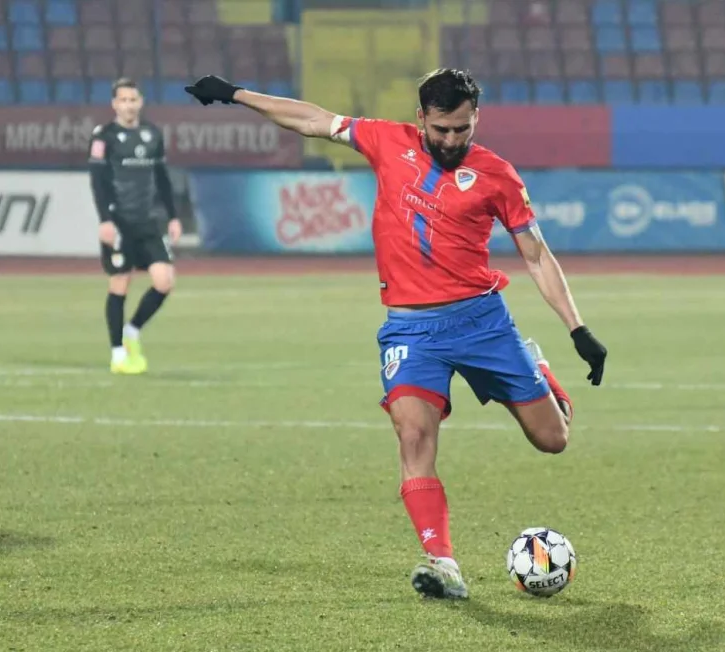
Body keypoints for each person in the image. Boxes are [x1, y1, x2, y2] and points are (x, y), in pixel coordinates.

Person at [185, 69, 608, 599]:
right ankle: (444, 563)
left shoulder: (498, 175)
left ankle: (535, 366)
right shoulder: (386, 141)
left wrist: (578, 329)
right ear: (421, 120)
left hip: (482, 322)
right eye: (442, 130)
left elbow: (537, 255)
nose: (453, 141)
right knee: (413, 436)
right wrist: (234, 94)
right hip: (411, 329)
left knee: (553, 439)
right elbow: (313, 119)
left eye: (463, 129)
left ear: (476, 120)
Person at [88, 77, 180, 375]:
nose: (128, 105)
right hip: (119, 222)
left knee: (164, 281)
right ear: (114, 104)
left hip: (148, 222)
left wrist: (173, 215)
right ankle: (117, 354)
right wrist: (105, 220)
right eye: (123, 100)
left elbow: (163, 178)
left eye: (133, 99)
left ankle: (133, 330)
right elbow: (98, 182)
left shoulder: (152, 134)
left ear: (141, 102)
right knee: (120, 283)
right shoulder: (104, 136)